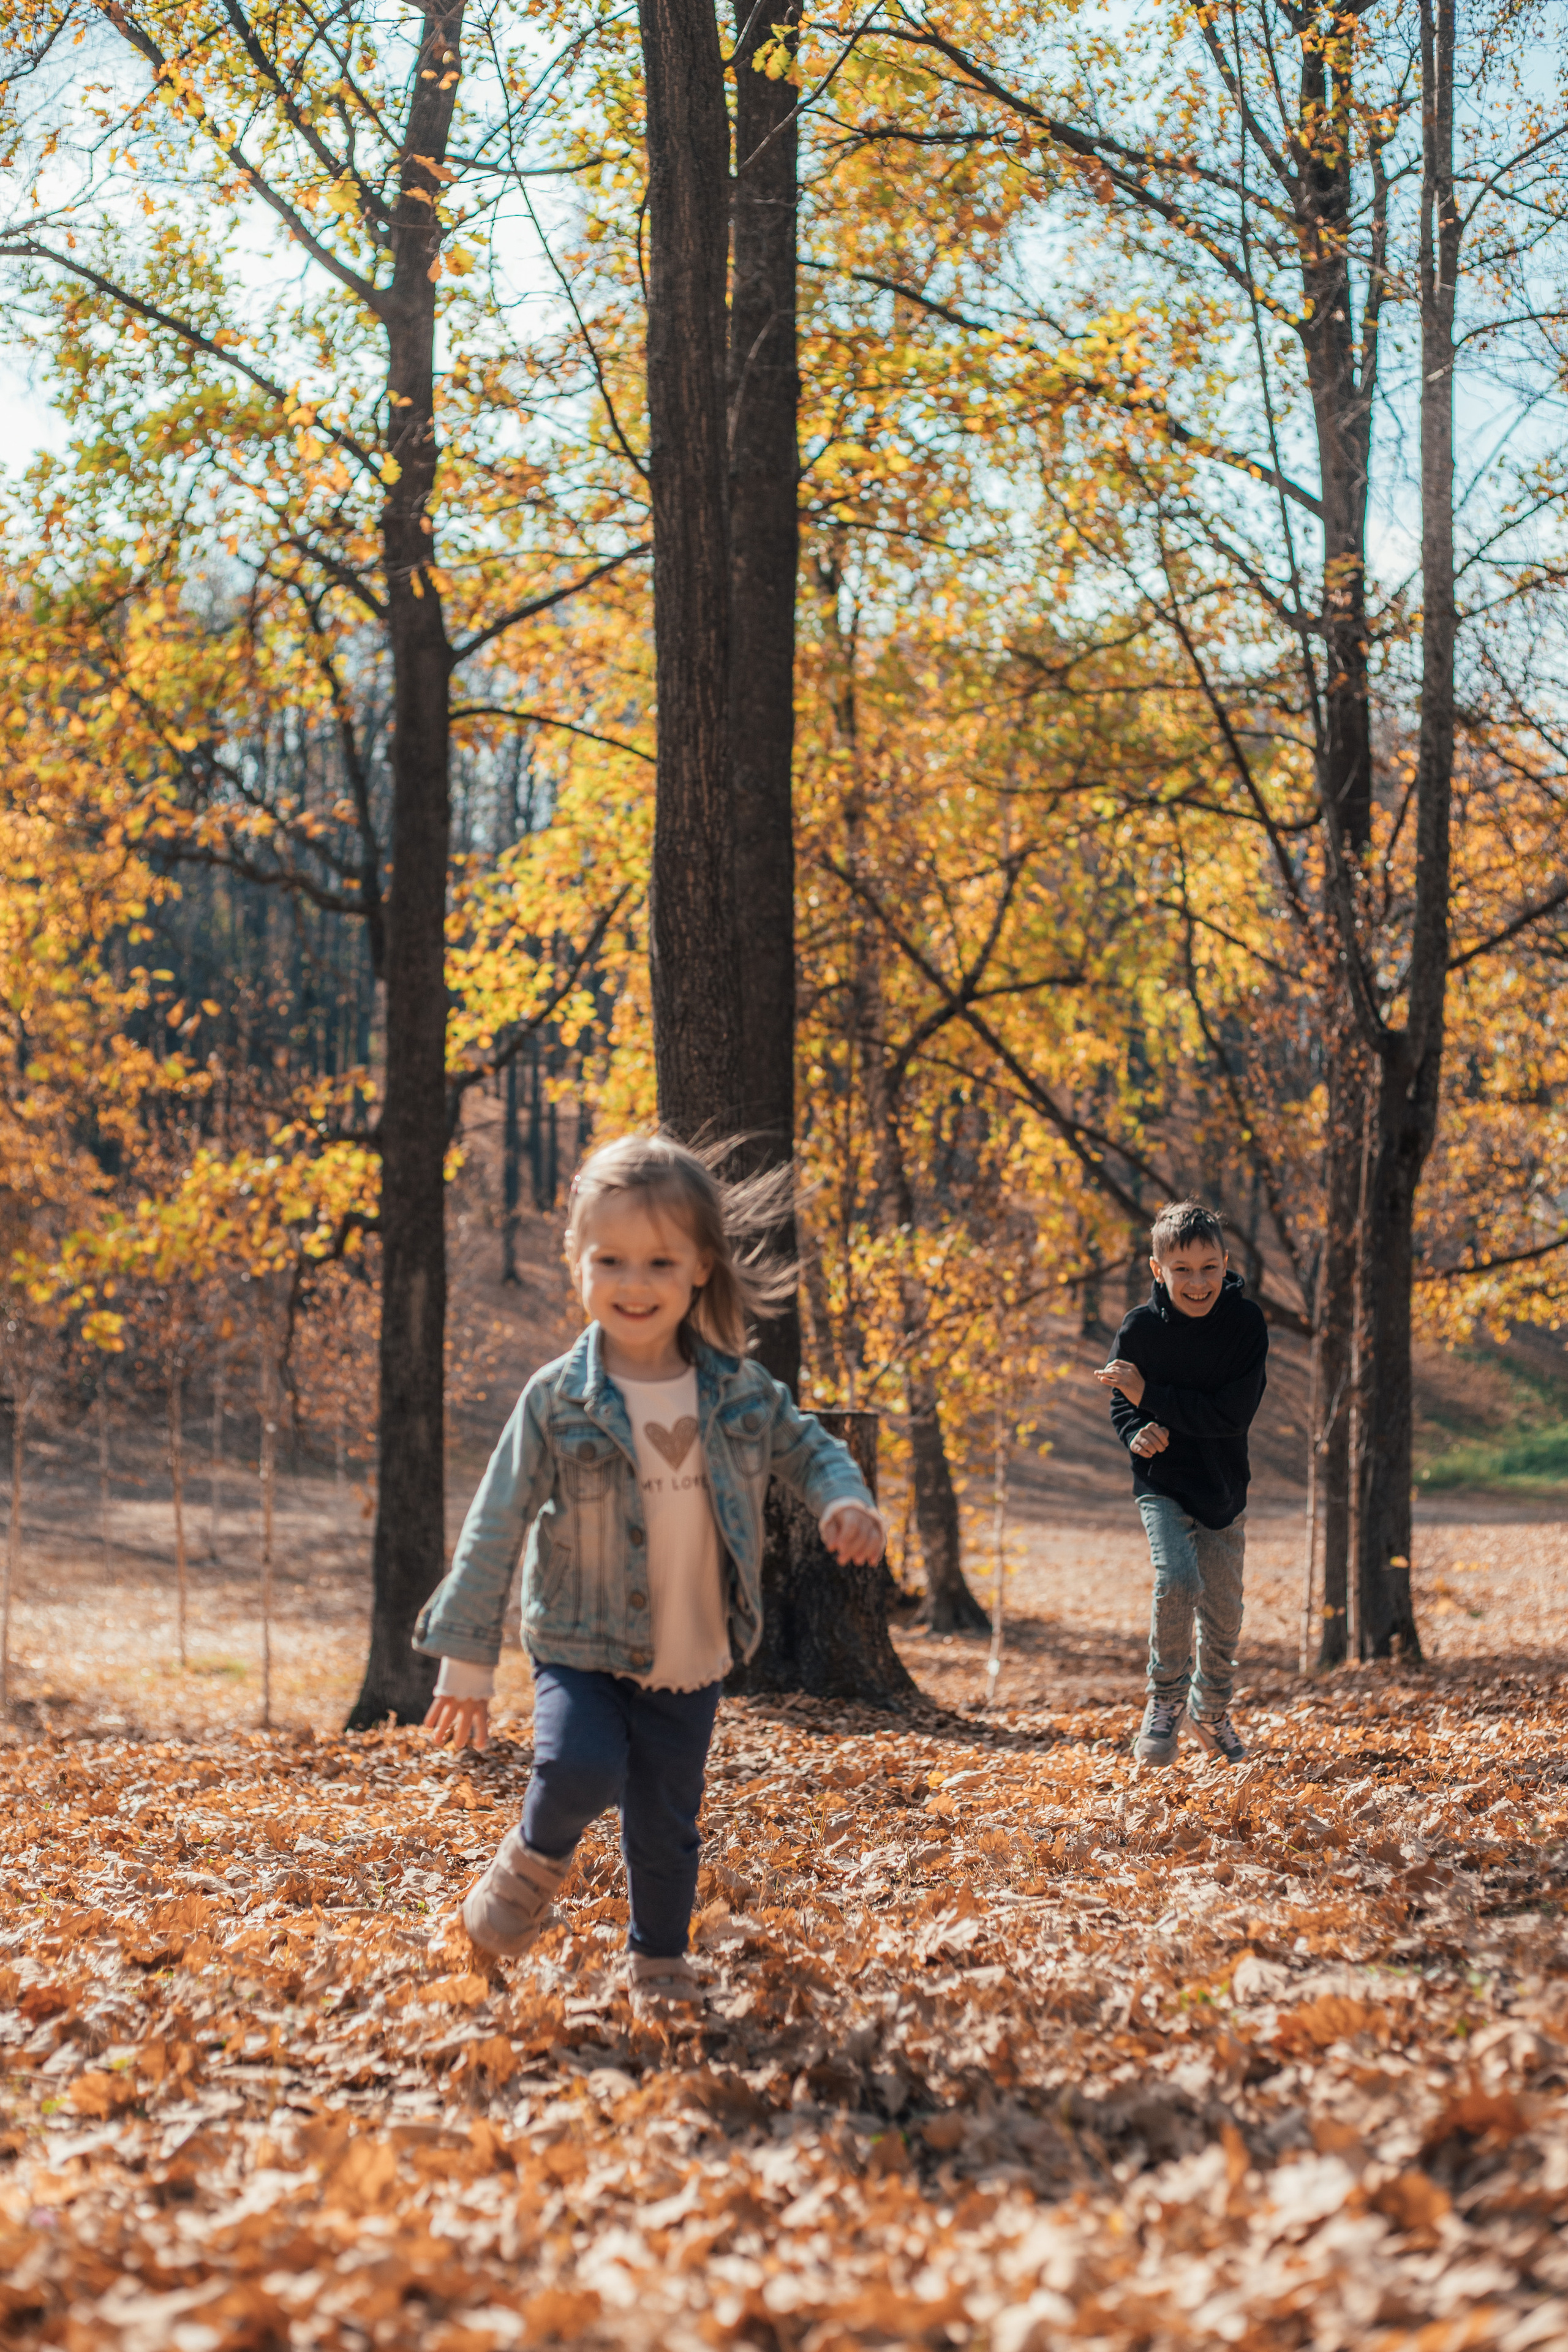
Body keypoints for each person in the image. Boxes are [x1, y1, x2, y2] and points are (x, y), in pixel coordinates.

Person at [413, 1133, 886, 2013]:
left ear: (701, 1267)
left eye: (660, 1261)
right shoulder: (556, 1399)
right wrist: (466, 1663)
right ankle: (524, 1868)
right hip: (579, 1644)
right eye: (612, 1260)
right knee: (578, 1767)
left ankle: (660, 1964)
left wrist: (844, 1501)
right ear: (575, 1263)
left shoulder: (739, 1392)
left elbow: (810, 1448)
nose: (635, 1283)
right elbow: (494, 1522)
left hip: (691, 1654)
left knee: (667, 1824)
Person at [1093, 1199, 1268, 1768]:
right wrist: (1136, 1430)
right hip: (1162, 1485)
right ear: (1157, 1269)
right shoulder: (1139, 1329)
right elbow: (1123, 1401)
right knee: (1177, 1582)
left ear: (1226, 1262)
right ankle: (1165, 1702)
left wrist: (1151, 1398)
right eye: (1182, 1270)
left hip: (1223, 1490)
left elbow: (1230, 1416)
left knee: (1224, 1613)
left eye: (1209, 1267)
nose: (1198, 1283)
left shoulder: (1245, 1326)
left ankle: (1210, 1713)